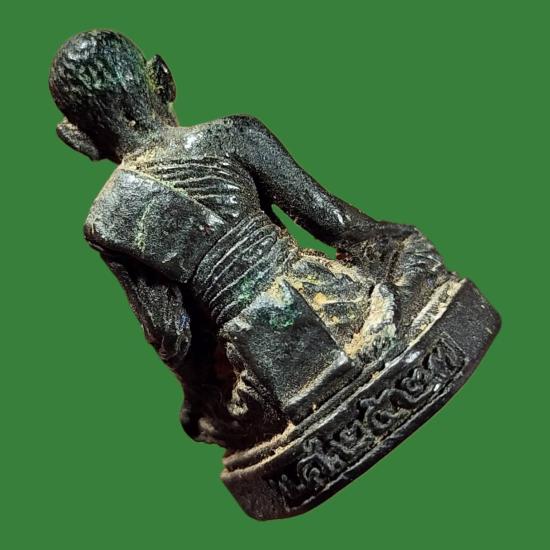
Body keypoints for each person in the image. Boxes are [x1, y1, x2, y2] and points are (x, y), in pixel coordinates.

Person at [50, 30, 444, 449]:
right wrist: (395, 241)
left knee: (213, 421)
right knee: (413, 266)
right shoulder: (235, 134)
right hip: (339, 304)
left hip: (264, 364)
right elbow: (332, 221)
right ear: (163, 78)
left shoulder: (107, 222)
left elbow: (170, 334)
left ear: (79, 140)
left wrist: (201, 396)